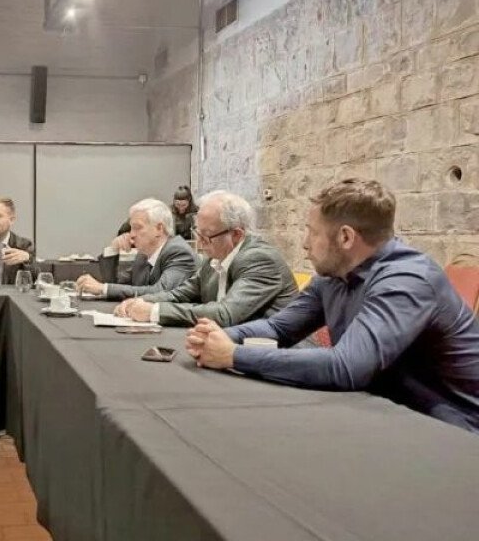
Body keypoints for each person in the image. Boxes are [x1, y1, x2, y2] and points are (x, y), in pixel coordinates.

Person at [186, 179, 479, 433]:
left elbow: (347, 366)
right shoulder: (335, 275)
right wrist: (219, 336)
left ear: (346, 237)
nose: (304, 243)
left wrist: (233, 355)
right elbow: (279, 328)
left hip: (452, 430)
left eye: (312, 232)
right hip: (384, 411)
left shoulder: (407, 280)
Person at [115, 190, 298, 326]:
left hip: (275, 352)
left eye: (207, 236)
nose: (200, 243)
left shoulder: (259, 259)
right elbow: (180, 293)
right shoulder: (214, 257)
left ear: (236, 234)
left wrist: (154, 311)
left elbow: (225, 314)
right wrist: (143, 301)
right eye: (198, 233)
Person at [76, 198, 195, 300]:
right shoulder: (142, 256)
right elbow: (117, 286)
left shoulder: (179, 252)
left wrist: (103, 288)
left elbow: (162, 292)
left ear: (159, 229)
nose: (131, 235)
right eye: (131, 228)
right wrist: (113, 250)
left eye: (137, 228)